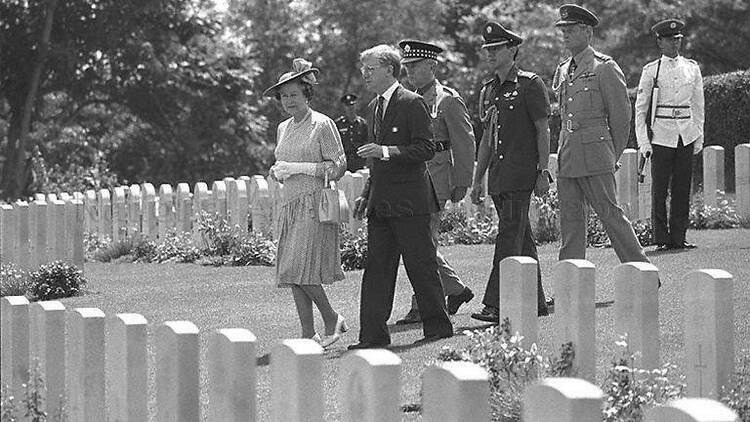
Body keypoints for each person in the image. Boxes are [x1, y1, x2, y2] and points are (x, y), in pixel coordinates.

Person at [348, 44, 453, 349]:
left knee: (421, 267)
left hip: (411, 201)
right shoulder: (373, 107)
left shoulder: (412, 103)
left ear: (389, 70)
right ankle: (372, 337)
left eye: (371, 69)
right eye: (363, 69)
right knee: (377, 270)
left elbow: (425, 148)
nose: (365, 75)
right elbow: (373, 159)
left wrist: (387, 151)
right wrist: (367, 193)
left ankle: (437, 329)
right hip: (382, 201)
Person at [551, 5, 651, 266]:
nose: (565, 35)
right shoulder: (563, 69)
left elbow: (621, 118)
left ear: (587, 32)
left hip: (596, 154)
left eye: (570, 30)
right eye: (563, 30)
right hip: (569, 154)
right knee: (570, 222)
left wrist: (611, 155)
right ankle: (570, 283)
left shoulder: (604, 67)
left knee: (610, 215)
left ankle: (641, 271)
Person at [468, 22, 552, 323]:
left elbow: (543, 130)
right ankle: (537, 302)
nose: (490, 53)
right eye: (487, 49)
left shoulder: (530, 84)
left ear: (512, 49)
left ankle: (495, 303)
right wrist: (477, 179)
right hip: (499, 176)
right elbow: (487, 140)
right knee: (522, 239)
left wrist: (544, 171)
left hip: (521, 175)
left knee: (507, 237)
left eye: (496, 48)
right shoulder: (489, 90)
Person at [264, 58, 348, 348]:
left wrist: (300, 168)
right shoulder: (283, 127)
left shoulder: (322, 124)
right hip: (291, 204)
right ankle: (306, 332)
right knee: (291, 271)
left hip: (315, 203)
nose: (288, 100)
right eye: (284, 95)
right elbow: (282, 161)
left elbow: (338, 166)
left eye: (294, 94)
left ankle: (332, 317)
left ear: (307, 94)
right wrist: (278, 172)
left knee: (302, 268)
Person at [395, 39, 476, 325]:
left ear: (432, 65)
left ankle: (422, 304)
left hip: (437, 179)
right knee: (421, 244)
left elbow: (464, 143)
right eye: (407, 67)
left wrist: (463, 181)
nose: (409, 72)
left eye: (415, 66)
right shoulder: (408, 99)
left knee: (421, 244)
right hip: (412, 179)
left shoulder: (447, 100)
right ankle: (455, 290)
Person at [635, 18, 704, 251]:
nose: (674, 44)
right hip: (661, 135)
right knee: (660, 189)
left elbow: (698, 104)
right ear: (659, 42)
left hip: (685, 133)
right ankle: (661, 238)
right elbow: (641, 110)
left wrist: (699, 135)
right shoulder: (651, 70)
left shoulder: (692, 68)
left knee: (682, 188)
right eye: (669, 40)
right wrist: (644, 141)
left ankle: (678, 237)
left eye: (677, 39)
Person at [335, 94, 368, 172]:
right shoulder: (339, 123)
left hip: (359, 162)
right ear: (344, 107)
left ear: (355, 106)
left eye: (352, 105)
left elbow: (366, 141)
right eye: (347, 105)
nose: (350, 108)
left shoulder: (362, 123)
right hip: (344, 162)